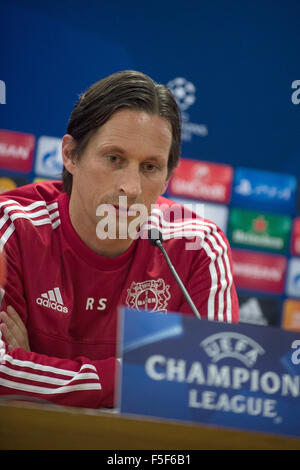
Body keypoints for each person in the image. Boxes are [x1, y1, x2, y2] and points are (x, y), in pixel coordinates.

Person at [0, 70, 238, 409]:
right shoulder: (11, 224)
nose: (131, 187)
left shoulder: (198, 247)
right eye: (114, 159)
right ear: (70, 155)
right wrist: (142, 378)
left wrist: (31, 366)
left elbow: (211, 389)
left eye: (150, 167)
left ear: (169, 177)